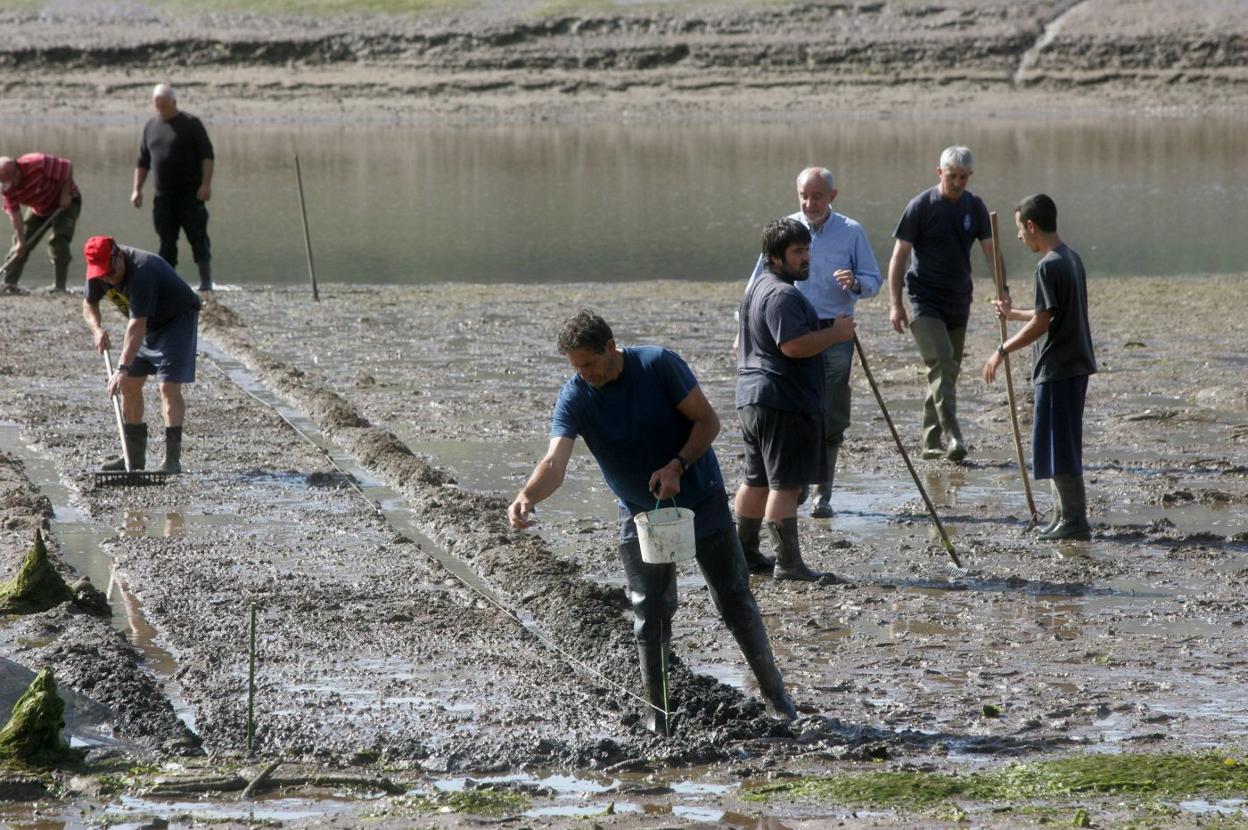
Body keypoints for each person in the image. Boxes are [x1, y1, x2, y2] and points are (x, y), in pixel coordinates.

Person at [507, 310, 797, 733]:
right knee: (651, 610)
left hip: (701, 499)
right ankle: (657, 718)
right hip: (639, 512)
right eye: (575, 367)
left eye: (588, 363)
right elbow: (555, 461)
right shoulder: (575, 396)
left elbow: (708, 421)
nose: (583, 374)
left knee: (734, 599)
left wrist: (677, 464)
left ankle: (777, 699)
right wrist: (527, 496)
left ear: (610, 347)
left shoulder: (657, 365)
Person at [738, 167, 881, 525]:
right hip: (788, 331)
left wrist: (856, 284)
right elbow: (756, 283)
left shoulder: (851, 232)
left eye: (817, 196)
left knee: (828, 416)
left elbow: (873, 280)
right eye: (803, 195)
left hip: (834, 331)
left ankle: (821, 493)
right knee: (795, 414)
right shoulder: (784, 232)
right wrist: (741, 331)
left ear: (833, 196)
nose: (809, 202)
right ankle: (792, 487)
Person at [735, 218, 855, 581]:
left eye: (807, 250)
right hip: (783, 401)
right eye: (797, 252)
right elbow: (793, 345)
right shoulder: (783, 294)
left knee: (755, 480)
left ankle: (745, 555)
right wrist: (835, 334)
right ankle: (788, 564)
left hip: (753, 399)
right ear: (773, 258)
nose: (806, 258)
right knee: (784, 485)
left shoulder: (756, 289)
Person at [982, 194, 1096, 541]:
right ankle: (1064, 516)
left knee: (1058, 444)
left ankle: (1074, 519)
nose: (1019, 237)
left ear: (1032, 226)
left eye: (1020, 229)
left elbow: (1043, 324)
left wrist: (1001, 349)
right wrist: (1012, 314)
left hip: (1058, 367)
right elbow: (1050, 311)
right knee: (1062, 441)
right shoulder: (1070, 257)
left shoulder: (1047, 265)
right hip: (1075, 364)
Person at [887, 145, 1005, 462]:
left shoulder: (974, 207)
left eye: (963, 177)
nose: (957, 182)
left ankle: (930, 441)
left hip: (959, 298)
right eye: (952, 176)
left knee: (947, 372)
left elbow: (991, 252)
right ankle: (954, 436)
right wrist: (895, 304)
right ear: (940, 173)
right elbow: (899, 257)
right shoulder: (921, 207)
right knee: (941, 362)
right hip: (923, 297)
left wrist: (1002, 290)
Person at [81, 236, 202, 475]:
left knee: (167, 387)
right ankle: (134, 457)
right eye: (102, 274)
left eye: (110, 271)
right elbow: (89, 303)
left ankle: (171, 462)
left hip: (176, 320)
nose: (107, 278)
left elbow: (137, 325)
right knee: (130, 386)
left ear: (118, 255)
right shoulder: (99, 272)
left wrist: (122, 368)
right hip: (145, 324)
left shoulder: (142, 270)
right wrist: (97, 329)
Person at [132, 83, 216, 292]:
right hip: (163, 197)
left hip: (190, 195)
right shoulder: (151, 126)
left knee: (198, 238)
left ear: (174, 102)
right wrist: (137, 189)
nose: (159, 108)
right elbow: (143, 162)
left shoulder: (191, 124)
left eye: (163, 104)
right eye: (156, 104)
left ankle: (205, 282)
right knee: (166, 241)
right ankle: (168, 282)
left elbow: (207, 156)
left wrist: (206, 185)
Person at [0, 153, 82, 293]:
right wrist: (20, 241)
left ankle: (59, 287)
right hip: (40, 207)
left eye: (9, 181)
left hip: (64, 203)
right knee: (21, 243)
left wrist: (65, 193)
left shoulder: (38, 163)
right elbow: (15, 215)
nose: (10, 186)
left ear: (16, 172)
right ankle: (9, 284)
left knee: (59, 241)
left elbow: (67, 167)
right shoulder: (7, 189)